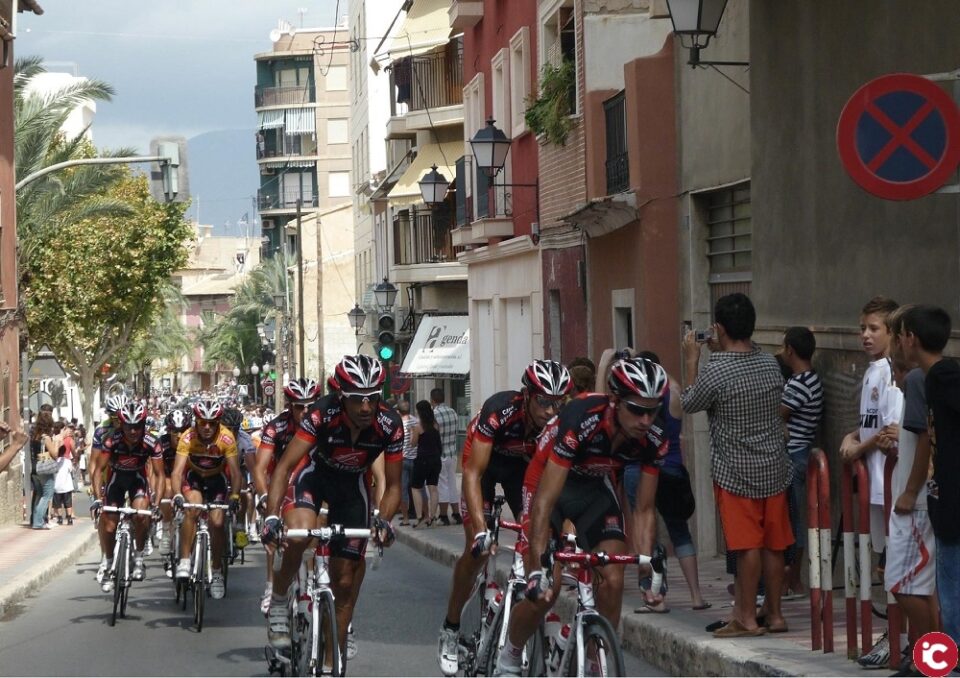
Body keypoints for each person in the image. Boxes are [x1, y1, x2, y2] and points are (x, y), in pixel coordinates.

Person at [495, 357, 667, 676]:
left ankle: (595, 661)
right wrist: (539, 561)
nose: (646, 419)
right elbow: (546, 499)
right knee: (547, 589)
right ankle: (511, 653)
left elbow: (643, 509)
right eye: (637, 409)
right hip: (550, 482)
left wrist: (646, 570)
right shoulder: (582, 416)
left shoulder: (654, 437)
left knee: (613, 579)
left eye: (652, 410)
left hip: (594, 489)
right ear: (615, 401)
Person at [261, 355, 402, 666]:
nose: (366, 408)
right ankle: (281, 599)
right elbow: (284, 468)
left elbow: (392, 486)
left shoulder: (390, 424)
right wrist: (272, 516)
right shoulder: (321, 414)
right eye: (356, 400)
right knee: (298, 537)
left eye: (372, 399)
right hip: (314, 479)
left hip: (353, 490)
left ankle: (328, 665)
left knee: (345, 583)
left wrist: (384, 521)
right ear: (341, 396)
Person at [437, 360, 572, 676]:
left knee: (536, 541)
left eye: (558, 403)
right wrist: (482, 529)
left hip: (521, 473)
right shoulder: (500, 410)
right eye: (543, 401)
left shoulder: (561, 425)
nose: (551, 410)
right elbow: (472, 472)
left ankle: (516, 607)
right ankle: (451, 627)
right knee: (478, 549)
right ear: (526, 395)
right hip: (484, 466)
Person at [681, 293, 793, 638]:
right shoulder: (768, 363)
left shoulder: (716, 370)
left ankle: (745, 617)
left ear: (718, 328)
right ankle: (774, 614)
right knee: (775, 545)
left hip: (736, 472)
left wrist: (692, 359)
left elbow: (690, 401)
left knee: (747, 547)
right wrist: (723, 345)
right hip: (775, 466)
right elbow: (745, 357)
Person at [839, 296, 900, 668]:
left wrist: (858, 448)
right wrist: (853, 438)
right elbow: (871, 424)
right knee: (883, 563)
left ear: (893, 332)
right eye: (862, 328)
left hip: (890, 483)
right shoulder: (873, 370)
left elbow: (890, 432)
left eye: (873, 328)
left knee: (896, 564)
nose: (865, 335)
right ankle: (893, 634)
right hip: (874, 484)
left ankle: (900, 637)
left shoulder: (895, 373)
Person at [625, 350, 709, 613]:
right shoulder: (672, 391)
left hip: (637, 468)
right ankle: (696, 596)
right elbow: (676, 386)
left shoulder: (634, 399)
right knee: (679, 530)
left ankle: (655, 596)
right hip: (671, 468)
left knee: (644, 530)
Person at [900, 305, 959, 651]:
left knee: (951, 584)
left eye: (902, 335)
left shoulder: (943, 376)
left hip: (953, 499)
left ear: (911, 339)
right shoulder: (933, 378)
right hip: (945, 499)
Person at [252, 377, 320, 615]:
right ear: (290, 406)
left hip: (310, 481)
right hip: (282, 481)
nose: (305, 411)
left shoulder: (324, 424)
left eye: (310, 405)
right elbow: (260, 467)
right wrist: (263, 497)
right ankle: (272, 586)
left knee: (314, 531)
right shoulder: (276, 427)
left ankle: (309, 581)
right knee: (275, 534)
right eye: (299, 406)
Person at [171, 399, 243, 600]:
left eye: (213, 423)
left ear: (219, 422)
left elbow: (236, 473)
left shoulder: (227, 438)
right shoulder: (187, 436)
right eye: (203, 422)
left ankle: (217, 571)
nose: (208, 428)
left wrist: (235, 496)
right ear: (196, 421)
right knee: (192, 508)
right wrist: (177, 494)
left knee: (218, 522)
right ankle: (185, 560)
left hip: (216, 480)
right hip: (194, 479)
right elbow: (177, 472)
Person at [90, 402, 164, 590]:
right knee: (109, 524)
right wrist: (98, 499)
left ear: (143, 424)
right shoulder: (111, 440)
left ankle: (139, 558)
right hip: (116, 480)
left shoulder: (151, 442)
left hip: (137, 480)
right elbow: (98, 470)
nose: (133, 431)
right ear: (121, 425)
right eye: (129, 426)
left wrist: (156, 504)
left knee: (141, 515)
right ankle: (107, 562)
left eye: (137, 426)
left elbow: (160, 474)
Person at [779, 327, 824, 597]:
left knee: (792, 521)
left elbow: (778, 415)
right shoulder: (811, 380)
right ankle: (790, 579)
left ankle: (792, 580)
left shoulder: (798, 384)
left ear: (790, 351)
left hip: (794, 455)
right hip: (802, 452)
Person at [90, 394, 129, 583]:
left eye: (121, 416)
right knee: (104, 517)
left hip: (131, 475)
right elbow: (94, 463)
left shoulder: (134, 428)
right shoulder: (102, 430)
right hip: (107, 476)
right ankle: (105, 555)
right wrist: (94, 488)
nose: (118, 421)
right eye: (114, 417)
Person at [157, 408, 191, 570]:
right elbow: (156, 472)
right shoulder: (162, 444)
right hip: (169, 477)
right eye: (174, 431)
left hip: (189, 479)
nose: (179, 435)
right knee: (168, 487)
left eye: (183, 431)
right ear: (168, 430)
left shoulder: (194, 441)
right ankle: (165, 529)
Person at [431, 388, 462, 525]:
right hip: (452, 453)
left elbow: (434, 435)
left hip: (440, 454)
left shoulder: (434, 415)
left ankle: (443, 516)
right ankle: (456, 513)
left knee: (442, 485)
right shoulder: (453, 412)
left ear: (433, 400)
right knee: (452, 484)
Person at [411, 400, 442, 527]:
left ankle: (420, 517)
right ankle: (433, 517)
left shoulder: (419, 426)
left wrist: (412, 432)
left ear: (419, 412)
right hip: (435, 459)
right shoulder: (435, 424)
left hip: (422, 459)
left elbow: (413, 443)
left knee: (416, 487)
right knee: (433, 488)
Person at [30, 412, 58, 530]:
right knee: (47, 495)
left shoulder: (35, 436)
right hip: (45, 469)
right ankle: (39, 522)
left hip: (35, 468)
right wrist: (56, 441)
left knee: (39, 494)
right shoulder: (46, 438)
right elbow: (55, 454)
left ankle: (36, 520)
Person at [397, 399, 419, 526]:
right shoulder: (415, 421)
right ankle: (417, 513)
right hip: (415, 458)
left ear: (399, 411)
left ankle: (405, 518)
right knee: (416, 488)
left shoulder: (398, 423)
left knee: (403, 489)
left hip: (403, 459)